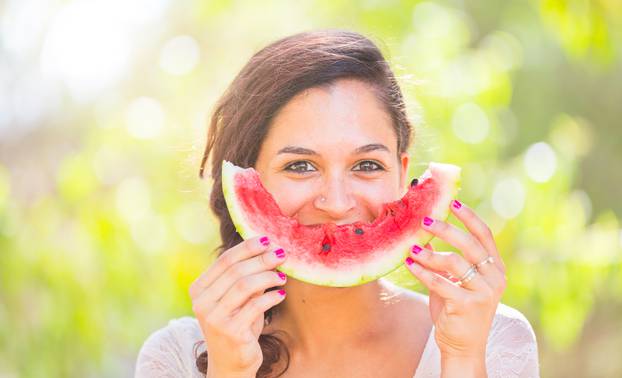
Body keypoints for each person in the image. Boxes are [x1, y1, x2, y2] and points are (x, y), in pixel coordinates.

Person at [135, 29, 539, 377]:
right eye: (300, 166)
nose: (337, 202)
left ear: (402, 174)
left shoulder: (493, 340)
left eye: (366, 164)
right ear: (248, 181)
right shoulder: (176, 359)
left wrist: (463, 359)